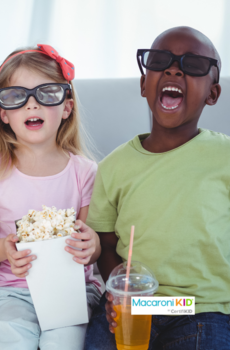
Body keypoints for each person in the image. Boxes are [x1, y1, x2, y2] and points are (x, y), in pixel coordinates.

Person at [84, 26, 230, 350]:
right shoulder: (113, 166)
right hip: (134, 306)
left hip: (199, 308)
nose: (173, 69)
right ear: (143, 84)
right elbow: (105, 247)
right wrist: (117, 292)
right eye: (160, 60)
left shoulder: (225, 157)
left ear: (213, 93)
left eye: (192, 65)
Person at [0, 44, 102, 350]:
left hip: (72, 289)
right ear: (3, 113)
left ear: (67, 107)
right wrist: (5, 248)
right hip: (13, 288)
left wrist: (90, 246)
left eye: (47, 94)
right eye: (16, 96)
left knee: (64, 342)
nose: (31, 105)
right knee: (6, 337)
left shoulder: (85, 171)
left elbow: (90, 244)